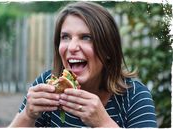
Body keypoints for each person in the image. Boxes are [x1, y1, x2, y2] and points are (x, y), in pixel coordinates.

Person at [9, 1, 157, 128]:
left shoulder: (135, 97)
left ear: (108, 49)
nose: (72, 47)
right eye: (65, 37)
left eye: (86, 37)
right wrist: (27, 115)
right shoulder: (47, 86)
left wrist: (103, 123)